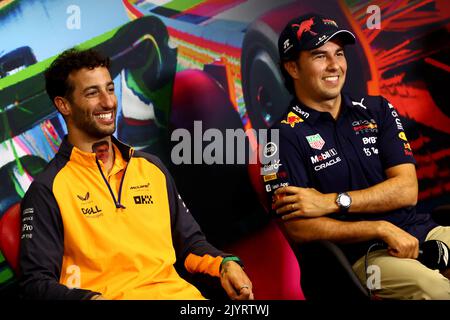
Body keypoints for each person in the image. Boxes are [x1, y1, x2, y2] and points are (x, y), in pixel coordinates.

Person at [19, 48, 254, 300]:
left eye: (109, 89)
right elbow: (36, 284)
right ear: (63, 105)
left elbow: (190, 246)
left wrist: (224, 264)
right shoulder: (47, 191)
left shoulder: (151, 168)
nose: (108, 102)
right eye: (92, 93)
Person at [264, 13, 450, 299]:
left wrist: (331, 201)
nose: (334, 65)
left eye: (339, 53)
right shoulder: (278, 138)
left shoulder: (377, 109)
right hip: (362, 258)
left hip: (420, 231)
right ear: (292, 68)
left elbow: (406, 190)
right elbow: (300, 229)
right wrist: (380, 227)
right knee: (436, 290)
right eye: (319, 56)